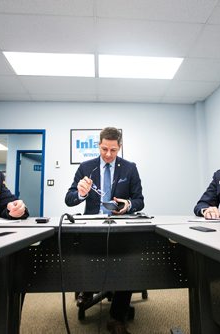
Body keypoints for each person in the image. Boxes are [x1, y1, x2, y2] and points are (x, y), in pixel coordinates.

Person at [65, 127, 144, 334]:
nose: (108, 155)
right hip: (93, 224)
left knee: (127, 262)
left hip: (120, 225)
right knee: (87, 257)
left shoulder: (129, 168)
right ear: (98, 145)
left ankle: (117, 317)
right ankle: (87, 289)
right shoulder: (85, 167)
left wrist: (128, 205)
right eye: (104, 149)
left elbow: (139, 201)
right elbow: (69, 198)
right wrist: (80, 194)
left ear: (119, 147)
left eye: (113, 150)